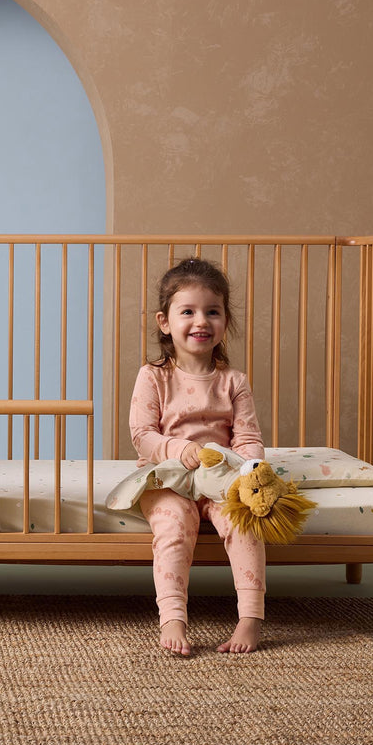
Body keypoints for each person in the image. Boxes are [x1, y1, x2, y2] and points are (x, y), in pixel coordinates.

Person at [130, 257, 266, 656]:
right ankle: (173, 617)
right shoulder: (153, 376)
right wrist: (181, 450)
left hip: (221, 476)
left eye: (212, 311)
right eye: (187, 311)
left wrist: (249, 472)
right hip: (168, 476)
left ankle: (251, 618)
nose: (201, 321)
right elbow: (143, 436)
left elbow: (248, 439)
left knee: (246, 523)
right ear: (165, 321)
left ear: (225, 321)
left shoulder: (232, 382)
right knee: (173, 527)